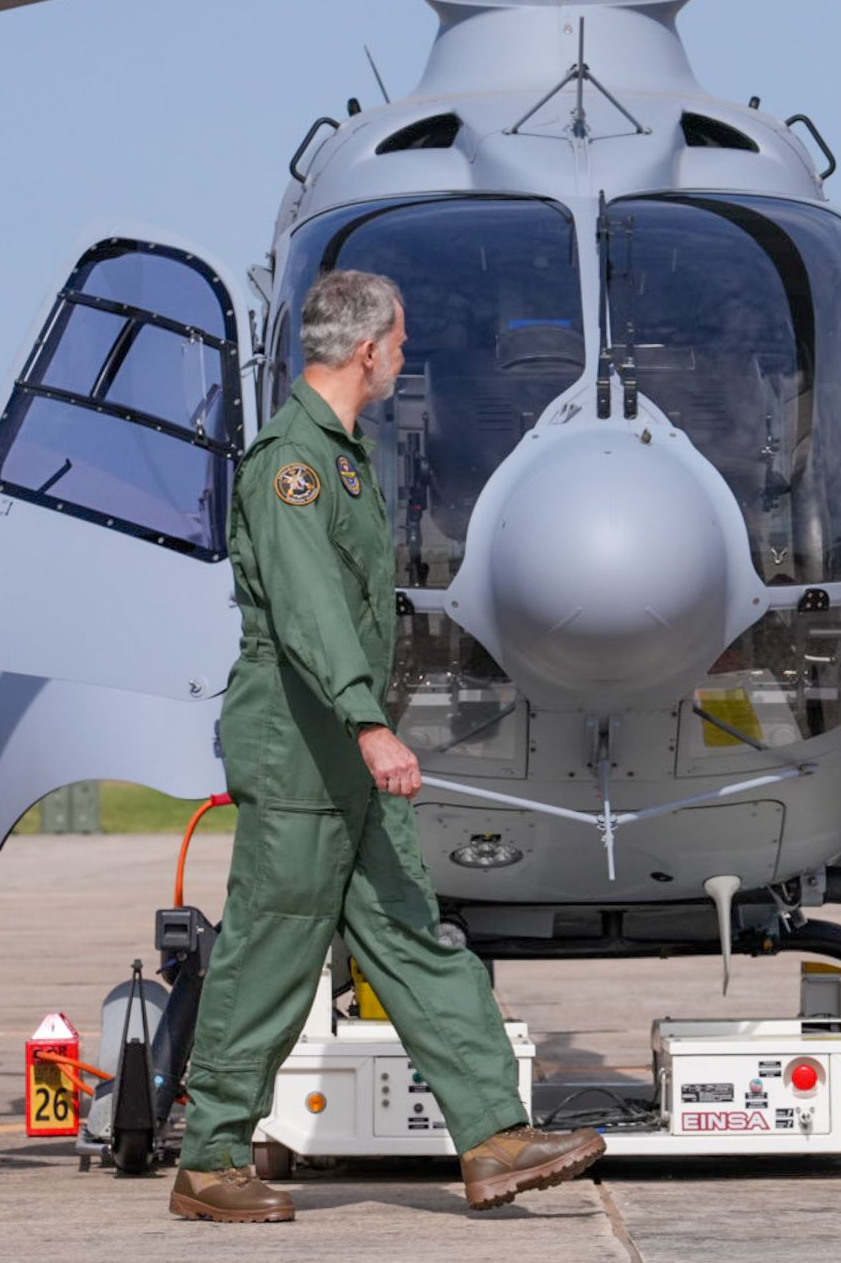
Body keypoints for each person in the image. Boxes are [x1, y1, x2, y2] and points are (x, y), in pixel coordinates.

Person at [170, 271, 604, 1225]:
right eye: (402, 344)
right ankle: (208, 1161)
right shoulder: (292, 464)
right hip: (303, 747)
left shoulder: (345, 456)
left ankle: (493, 1136)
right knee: (275, 946)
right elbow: (311, 609)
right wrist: (370, 725)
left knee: (414, 931)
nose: (405, 359)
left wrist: (366, 725)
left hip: (343, 743)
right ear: (368, 351)